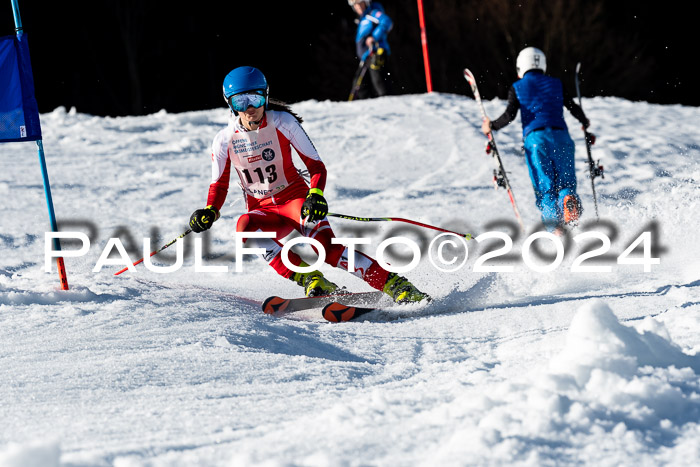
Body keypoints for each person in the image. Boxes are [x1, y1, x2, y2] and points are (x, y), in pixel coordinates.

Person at [188, 66, 429, 304]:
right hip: (264, 211)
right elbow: (218, 185)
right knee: (245, 225)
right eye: (240, 102)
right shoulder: (223, 140)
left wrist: (315, 194)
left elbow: (316, 165)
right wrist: (210, 210)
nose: (250, 108)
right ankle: (312, 280)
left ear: (266, 96)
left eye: (255, 98)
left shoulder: (283, 122)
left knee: (326, 249)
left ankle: (396, 285)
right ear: (230, 104)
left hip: (295, 201)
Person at [481, 47, 595, 231]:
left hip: (536, 140)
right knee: (565, 183)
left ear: (520, 67)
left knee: (546, 187)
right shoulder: (556, 83)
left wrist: (491, 126)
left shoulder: (517, 87)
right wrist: (584, 121)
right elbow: (572, 106)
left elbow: (509, 115)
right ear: (542, 64)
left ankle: (556, 230)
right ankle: (568, 200)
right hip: (562, 137)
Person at [348, 0, 393, 99]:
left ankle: (388, 104)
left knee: (380, 83)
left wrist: (374, 36)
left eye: (360, 3)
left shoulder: (372, 13)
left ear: (366, 3)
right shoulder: (362, 19)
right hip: (366, 57)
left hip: (376, 53)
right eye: (355, 5)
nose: (358, 7)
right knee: (359, 86)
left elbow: (387, 21)